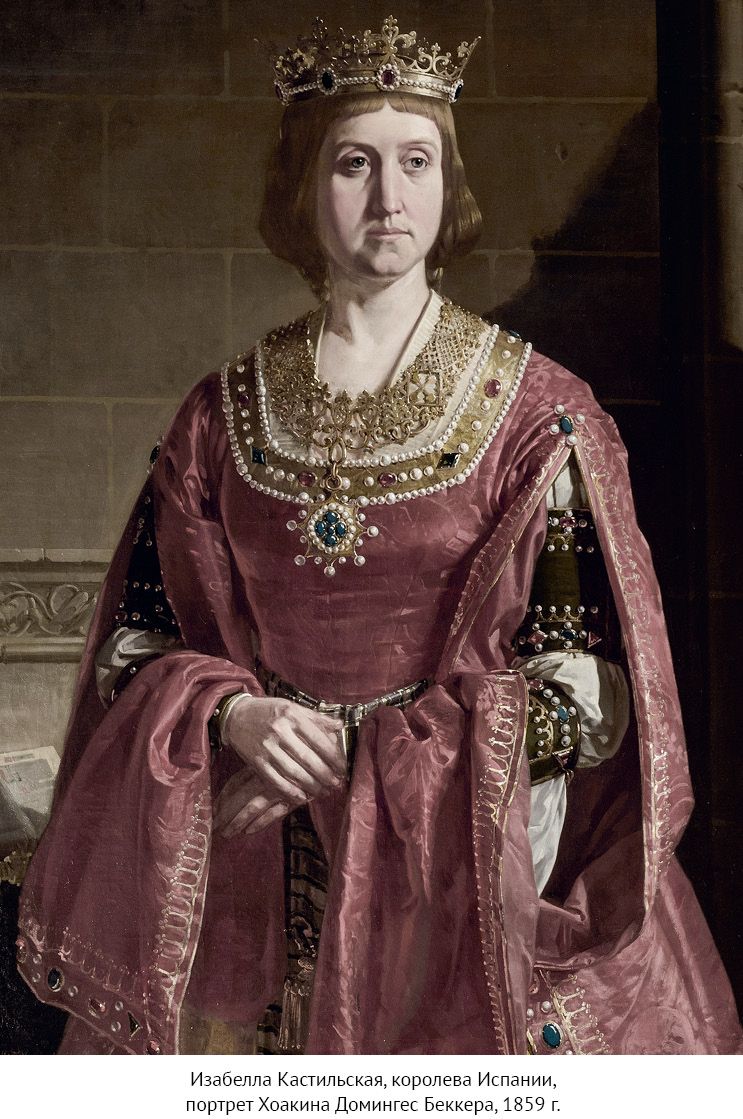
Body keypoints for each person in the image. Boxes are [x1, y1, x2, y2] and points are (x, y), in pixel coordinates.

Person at [17, 16, 742, 1056]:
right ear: (300, 184)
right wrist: (232, 719)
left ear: (450, 185)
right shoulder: (219, 415)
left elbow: (582, 698)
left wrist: (362, 760)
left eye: (417, 162)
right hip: (254, 872)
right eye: (354, 163)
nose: (389, 198)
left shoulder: (536, 414)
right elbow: (132, 652)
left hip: (461, 892)